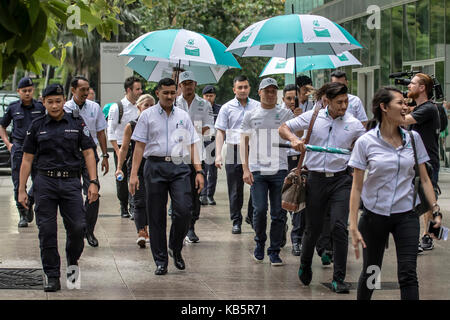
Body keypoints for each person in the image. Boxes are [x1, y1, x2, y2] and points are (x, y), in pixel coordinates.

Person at [348, 87, 442, 300]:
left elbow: (425, 179)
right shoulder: (366, 142)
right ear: (384, 107)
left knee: (408, 273)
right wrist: (353, 224)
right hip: (374, 216)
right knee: (372, 271)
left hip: (406, 215)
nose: (405, 107)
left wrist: (435, 209)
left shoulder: (413, 138)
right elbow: (357, 186)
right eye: (400, 103)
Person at [279, 82, 366, 293]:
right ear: (326, 100)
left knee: (338, 226)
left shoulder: (353, 124)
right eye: (339, 102)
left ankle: (338, 278)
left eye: (346, 101)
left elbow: (366, 145)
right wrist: (294, 140)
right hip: (315, 179)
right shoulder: (313, 117)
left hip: (341, 181)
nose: (344, 106)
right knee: (313, 229)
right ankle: (305, 264)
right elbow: (284, 128)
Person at [18, 84, 99, 292]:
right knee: (46, 231)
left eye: (58, 101)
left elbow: (89, 152)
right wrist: (21, 189)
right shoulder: (36, 125)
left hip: (71, 182)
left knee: (78, 228)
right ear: (43, 102)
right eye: (50, 101)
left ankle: (72, 265)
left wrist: (93, 181)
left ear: (64, 100)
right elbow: (27, 159)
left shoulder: (76, 122)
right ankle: (51, 275)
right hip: (45, 183)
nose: (54, 106)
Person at [129, 78, 204, 276]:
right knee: (156, 215)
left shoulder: (183, 116)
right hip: (154, 166)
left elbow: (193, 144)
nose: (170, 96)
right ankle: (161, 260)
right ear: (157, 93)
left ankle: (175, 248)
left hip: (180, 166)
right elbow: (139, 146)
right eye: (166, 93)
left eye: (173, 92)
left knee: (183, 210)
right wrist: (133, 174)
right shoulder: (147, 116)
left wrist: (198, 170)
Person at [241, 78, 293, 266]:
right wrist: (245, 168)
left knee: (279, 213)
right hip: (257, 169)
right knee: (260, 209)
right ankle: (259, 243)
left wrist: (300, 120)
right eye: (267, 91)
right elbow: (243, 142)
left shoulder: (286, 114)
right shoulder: (251, 115)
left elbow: (297, 136)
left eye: (274, 91)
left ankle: (274, 250)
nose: (270, 94)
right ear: (259, 92)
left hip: (279, 168)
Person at [64, 76, 109, 248]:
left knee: (93, 191)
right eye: (82, 89)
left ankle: (89, 230)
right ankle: (75, 228)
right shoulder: (65, 108)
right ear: (73, 90)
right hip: (70, 157)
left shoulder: (94, 107)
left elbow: (100, 132)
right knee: (72, 193)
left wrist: (105, 155)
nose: (86, 92)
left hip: (90, 155)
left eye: (88, 89)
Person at [215, 75, 258, 234]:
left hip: (253, 150)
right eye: (239, 87)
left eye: (245, 87)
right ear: (234, 89)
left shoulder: (257, 106)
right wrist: (218, 155)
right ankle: (236, 220)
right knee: (235, 189)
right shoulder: (226, 108)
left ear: (249, 88)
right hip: (233, 149)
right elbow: (220, 132)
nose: (243, 90)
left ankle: (251, 215)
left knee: (257, 184)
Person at [0, 77, 45, 227]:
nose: (27, 93)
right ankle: (23, 215)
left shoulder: (40, 107)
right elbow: (2, 126)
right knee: (18, 182)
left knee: (39, 179)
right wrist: (8, 144)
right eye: (24, 91)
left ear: (33, 91)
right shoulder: (13, 108)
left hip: (37, 149)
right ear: (19, 91)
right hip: (19, 148)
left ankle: (30, 200)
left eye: (30, 90)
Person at [403, 73, 440, 252]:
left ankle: (430, 236)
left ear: (422, 88)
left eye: (412, 83)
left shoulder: (429, 109)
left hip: (428, 162)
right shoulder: (418, 108)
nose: (409, 86)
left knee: (428, 201)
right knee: (417, 200)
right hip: (415, 160)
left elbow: (403, 120)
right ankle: (424, 236)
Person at [176, 71, 214, 243]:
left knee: (195, 192)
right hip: (176, 154)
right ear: (180, 86)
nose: (188, 86)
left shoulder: (204, 105)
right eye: (185, 83)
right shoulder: (174, 103)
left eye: (191, 83)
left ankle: (191, 226)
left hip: (198, 155)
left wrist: (193, 130)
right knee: (178, 193)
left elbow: (210, 129)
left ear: (195, 84)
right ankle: (180, 225)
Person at [115, 94, 155, 248]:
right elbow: (124, 148)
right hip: (136, 168)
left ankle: (150, 229)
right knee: (138, 201)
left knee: (153, 201)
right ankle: (141, 231)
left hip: (154, 167)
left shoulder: (158, 124)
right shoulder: (131, 126)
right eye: (146, 105)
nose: (149, 108)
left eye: (152, 105)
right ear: (139, 107)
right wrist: (119, 167)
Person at [107, 76, 142, 218]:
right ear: (129, 90)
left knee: (135, 175)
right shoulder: (117, 107)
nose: (140, 91)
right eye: (137, 89)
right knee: (121, 177)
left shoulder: (140, 106)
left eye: (141, 88)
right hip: (121, 147)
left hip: (137, 146)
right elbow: (110, 131)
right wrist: (118, 151)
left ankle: (133, 205)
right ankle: (123, 205)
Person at [281, 84, 304, 256]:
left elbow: (302, 134)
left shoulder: (303, 113)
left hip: (298, 161)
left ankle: (296, 238)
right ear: (283, 99)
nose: (291, 101)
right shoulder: (278, 113)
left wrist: (299, 118)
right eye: (288, 98)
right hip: (281, 161)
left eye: (294, 98)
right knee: (281, 199)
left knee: (297, 198)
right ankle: (280, 230)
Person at [200, 85, 222, 206]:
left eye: (211, 96)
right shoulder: (199, 108)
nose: (209, 98)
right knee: (202, 168)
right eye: (207, 96)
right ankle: (203, 194)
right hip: (202, 140)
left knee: (212, 170)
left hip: (213, 141)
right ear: (203, 96)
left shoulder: (219, 109)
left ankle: (210, 195)